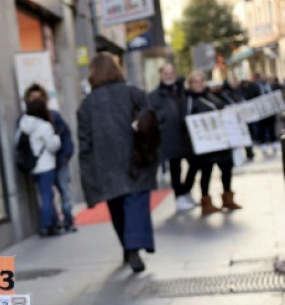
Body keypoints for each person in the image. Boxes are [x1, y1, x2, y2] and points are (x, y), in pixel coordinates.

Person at [77, 52, 157, 273]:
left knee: (117, 208)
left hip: (105, 166)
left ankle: (127, 246)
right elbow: (150, 125)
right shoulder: (134, 94)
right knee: (136, 204)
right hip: (136, 160)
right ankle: (133, 249)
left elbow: (85, 143)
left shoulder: (87, 105)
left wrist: (88, 174)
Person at [23, 83, 76, 233]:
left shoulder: (50, 116)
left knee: (59, 192)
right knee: (50, 195)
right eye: (33, 98)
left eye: (39, 98)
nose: (36, 101)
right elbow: (55, 143)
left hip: (53, 163)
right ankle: (50, 224)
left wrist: (66, 155)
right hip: (46, 164)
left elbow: (66, 135)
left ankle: (65, 220)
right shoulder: (30, 121)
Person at [185, 71, 241, 214]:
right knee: (206, 172)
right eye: (195, 82)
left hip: (221, 142)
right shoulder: (189, 101)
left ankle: (228, 198)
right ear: (190, 84)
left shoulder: (212, 96)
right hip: (206, 145)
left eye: (201, 81)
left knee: (226, 169)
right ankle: (206, 201)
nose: (199, 84)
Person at [149, 63, 195, 212]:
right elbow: (152, 116)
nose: (169, 76)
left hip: (187, 136)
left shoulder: (183, 92)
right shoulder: (154, 96)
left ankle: (185, 190)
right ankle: (179, 196)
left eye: (171, 73)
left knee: (196, 164)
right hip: (169, 138)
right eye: (166, 73)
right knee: (176, 168)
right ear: (161, 75)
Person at [17, 96, 61, 237]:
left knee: (47, 195)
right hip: (45, 166)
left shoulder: (24, 124)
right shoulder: (44, 126)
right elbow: (52, 146)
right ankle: (46, 225)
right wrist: (57, 139)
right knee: (47, 196)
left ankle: (54, 224)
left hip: (32, 167)